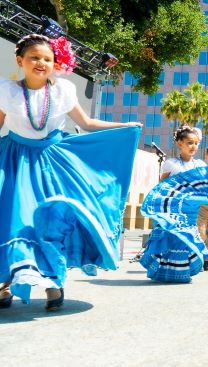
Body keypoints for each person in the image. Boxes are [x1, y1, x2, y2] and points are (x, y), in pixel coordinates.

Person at [0, 33, 141, 310]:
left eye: (47, 59)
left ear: (55, 63)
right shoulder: (7, 91)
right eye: (34, 58)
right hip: (16, 161)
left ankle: (54, 283)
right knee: (13, 220)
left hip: (53, 164)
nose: (41, 63)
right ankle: (5, 284)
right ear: (20, 60)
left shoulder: (62, 91)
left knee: (52, 220)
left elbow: (86, 122)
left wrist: (125, 127)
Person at [139, 125, 208, 282]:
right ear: (179, 143)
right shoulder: (171, 164)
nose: (193, 146)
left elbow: (206, 187)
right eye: (190, 143)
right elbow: (162, 187)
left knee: (186, 240)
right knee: (172, 239)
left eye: (196, 143)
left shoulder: (200, 165)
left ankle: (181, 273)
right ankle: (165, 273)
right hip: (174, 210)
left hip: (191, 212)